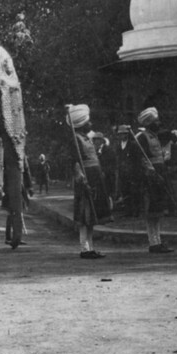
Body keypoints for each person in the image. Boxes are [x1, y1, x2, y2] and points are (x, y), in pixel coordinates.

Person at [66, 104, 111, 259]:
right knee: (85, 214)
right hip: (85, 178)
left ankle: (91, 247)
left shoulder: (86, 138)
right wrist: (80, 177)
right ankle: (84, 248)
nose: (90, 124)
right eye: (88, 122)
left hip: (95, 177)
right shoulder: (76, 139)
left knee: (92, 215)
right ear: (82, 123)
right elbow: (74, 161)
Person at [132, 107, 175, 254]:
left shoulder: (155, 136)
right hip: (151, 176)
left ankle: (158, 240)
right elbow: (141, 157)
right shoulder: (142, 137)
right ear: (149, 123)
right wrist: (150, 171)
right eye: (155, 121)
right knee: (151, 211)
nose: (158, 123)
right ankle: (153, 241)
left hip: (160, 173)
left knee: (158, 211)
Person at [3, 156, 33, 245]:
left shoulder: (21, 156)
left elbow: (26, 171)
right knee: (11, 212)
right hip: (10, 187)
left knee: (16, 211)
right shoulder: (8, 155)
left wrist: (29, 187)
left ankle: (16, 236)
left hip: (19, 186)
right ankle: (9, 236)